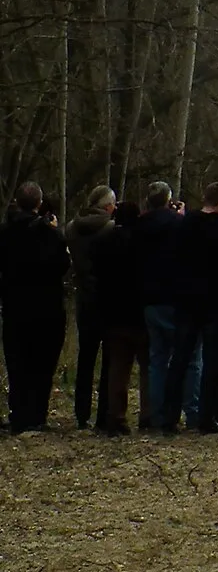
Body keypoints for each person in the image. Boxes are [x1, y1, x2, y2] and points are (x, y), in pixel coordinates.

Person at [166, 182, 218, 434]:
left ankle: (168, 417)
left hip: (187, 300)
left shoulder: (184, 225)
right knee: (213, 361)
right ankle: (207, 417)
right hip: (215, 303)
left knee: (179, 359)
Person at [0, 183, 69, 432]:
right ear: (39, 203)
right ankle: (37, 415)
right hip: (47, 309)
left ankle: (18, 413)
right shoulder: (50, 234)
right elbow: (63, 265)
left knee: (17, 364)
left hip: (14, 308)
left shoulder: (6, 233)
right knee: (43, 364)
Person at [134, 182, 198, 430]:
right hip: (177, 297)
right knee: (190, 358)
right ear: (169, 200)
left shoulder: (139, 226)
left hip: (150, 298)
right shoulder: (179, 224)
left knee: (157, 359)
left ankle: (158, 415)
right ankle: (191, 412)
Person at [65, 185, 119, 429]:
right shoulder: (110, 229)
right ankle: (104, 413)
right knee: (109, 360)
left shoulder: (72, 227)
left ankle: (81, 412)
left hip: (84, 297)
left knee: (86, 358)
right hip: (107, 298)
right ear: (108, 206)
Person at [91, 201, 146, 434]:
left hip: (112, 311)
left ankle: (116, 416)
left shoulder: (104, 241)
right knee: (147, 366)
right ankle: (149, 415)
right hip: (139, 309)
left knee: (118, 368)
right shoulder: (142, 241)